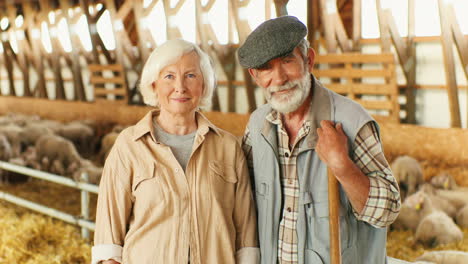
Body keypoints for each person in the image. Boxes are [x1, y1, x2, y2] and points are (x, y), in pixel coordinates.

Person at [238, 16, 401, 264]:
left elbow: (387, 212)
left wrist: (342, 167)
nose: (279, 78)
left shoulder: (351, 121)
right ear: (255, 76)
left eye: (287, 60)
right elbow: (241, 201)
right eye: (266, 68)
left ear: (309, 60)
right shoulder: (257, 126)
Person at [92, 39, 259, 264]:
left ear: (204, 85)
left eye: (191, 75)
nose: (180, 87)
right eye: (169, 76)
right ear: (153, 85)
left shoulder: (228, 148)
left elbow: (246, 234)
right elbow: (108, 237)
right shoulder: (129, 146)